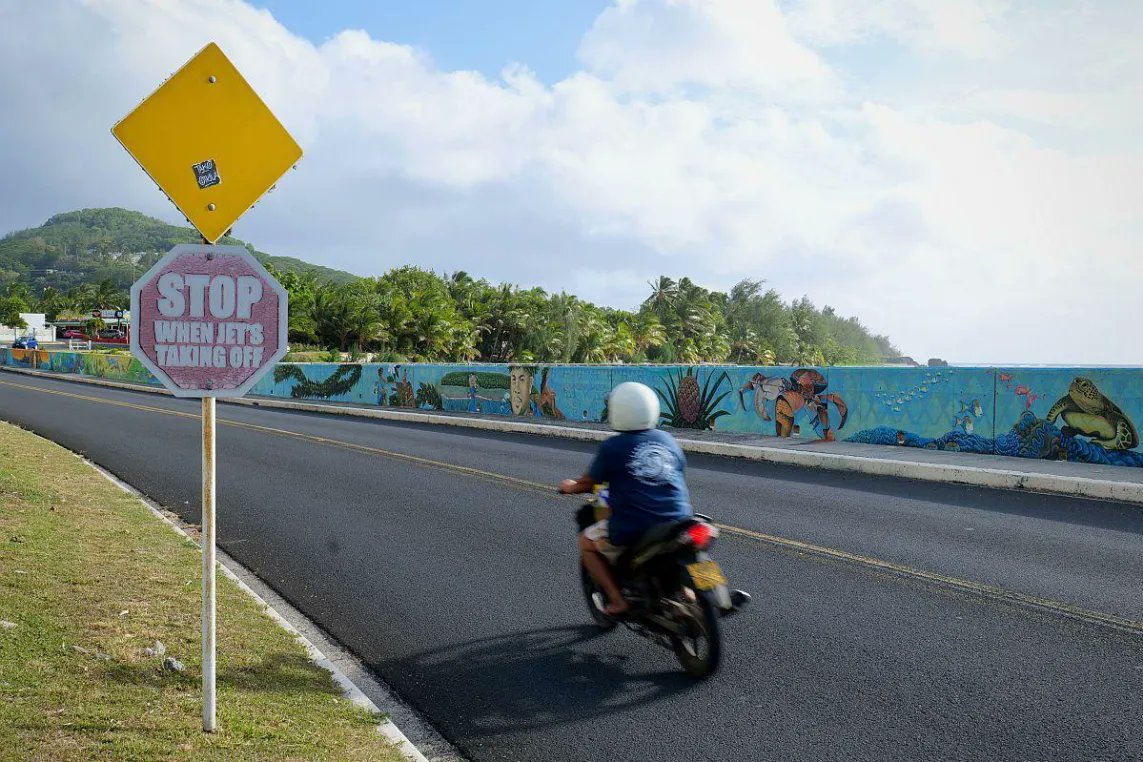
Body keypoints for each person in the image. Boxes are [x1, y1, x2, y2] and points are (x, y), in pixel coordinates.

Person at [558, 381, 694, 615]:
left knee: (586, 543)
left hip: (635, 527)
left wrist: (570, 486)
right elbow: (679, 471)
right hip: (679, 518)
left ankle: (617, 599)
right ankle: (691, 594)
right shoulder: (667, 440)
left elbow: (587, 483)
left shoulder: (614, 446)